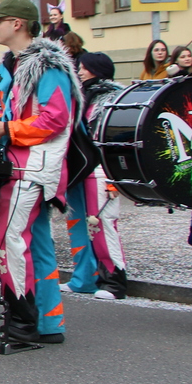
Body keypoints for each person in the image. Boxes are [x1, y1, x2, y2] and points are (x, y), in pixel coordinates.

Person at [0, 0, 77, 345]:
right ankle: (48, 324)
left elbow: (56, 118)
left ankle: (21, 323)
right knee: (37, 244)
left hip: (31, 167)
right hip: (21, 163)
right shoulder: (13, 64)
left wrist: (5, 129)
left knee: (10, 239)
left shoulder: (46, 66)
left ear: (17, 24)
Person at [65, 52, 128, 301]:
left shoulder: (112, 97)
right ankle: (84, 278)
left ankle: (114, 280)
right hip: (80, 167)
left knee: (102, 223)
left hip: (101, 167)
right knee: (79, 223)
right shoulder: (80, 95)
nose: (79, 72)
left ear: (98, 70)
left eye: (84, 67)